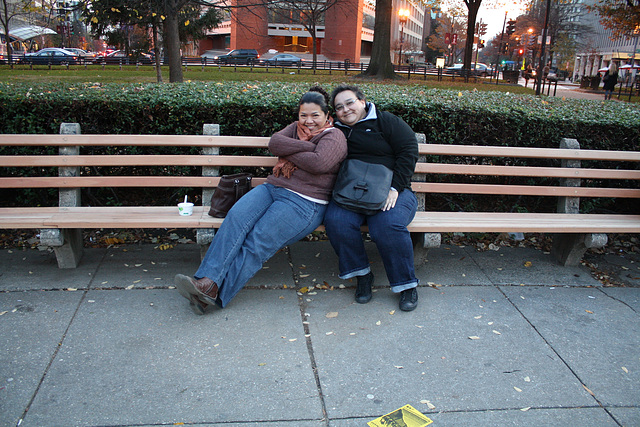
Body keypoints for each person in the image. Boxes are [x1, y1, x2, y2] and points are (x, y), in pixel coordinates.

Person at [174, 86, 347, 314]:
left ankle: (211, 295)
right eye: (303, 115)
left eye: (315, 115)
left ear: (327, 117)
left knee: (257, 241)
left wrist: (292, 150)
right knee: (235, 219)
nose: (308, 121)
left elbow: (319, 164)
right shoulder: (295, 129)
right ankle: (207, 281)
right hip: (273, 188)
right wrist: (309, 147)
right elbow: (275, 143)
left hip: (305, 202)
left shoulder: (335, 136)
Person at [323, 84, 420, 311]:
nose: (345, 110)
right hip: (351, 193)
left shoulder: (386, 122)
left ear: (362, 101)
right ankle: (362, 275)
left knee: (387, 224)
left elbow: (408, 150)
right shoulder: (335, 130)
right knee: (337, 221)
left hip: (392, 190)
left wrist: (395, 188)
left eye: (350, 103)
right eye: (339, 107)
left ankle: (406, 285)